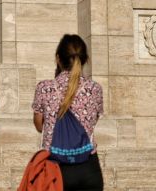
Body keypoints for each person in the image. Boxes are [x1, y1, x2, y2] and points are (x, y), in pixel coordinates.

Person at [32, 34, 104, 191]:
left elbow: (39, 126)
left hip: (55, 167)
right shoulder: (95, 89)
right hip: (88, 167)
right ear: (85, 59)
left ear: (58, 58)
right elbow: (92, 122)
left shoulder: (44, 87)